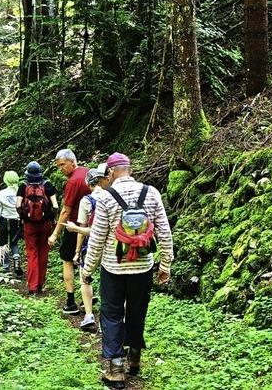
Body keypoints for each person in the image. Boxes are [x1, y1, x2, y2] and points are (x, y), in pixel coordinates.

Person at [82, 153, 173, 389]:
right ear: (129, 169)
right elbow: (164, 230)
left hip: (114, 268)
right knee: (137, 310)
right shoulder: (151, 193)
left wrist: (87, 270)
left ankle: (116, 369)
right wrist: (165, 264)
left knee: (112, 314)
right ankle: (134, 358)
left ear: (110, 173)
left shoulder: (106, 198)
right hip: (143, 267)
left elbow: (98, 239)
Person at [62, 163, 109, 332]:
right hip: (109, 245)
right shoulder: (111, 196)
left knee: (85, 277)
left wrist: (76, 251)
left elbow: (82, 230)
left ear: (89, 184)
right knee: (108, 279)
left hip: (90, 245)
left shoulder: (86, 200)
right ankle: (108, 316)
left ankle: (89, 315)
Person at [48, 149, 90, 314]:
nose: (60, 169)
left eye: (62, 165)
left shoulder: (73, 182)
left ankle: (70, 302)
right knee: (86, 259)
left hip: (74, 226)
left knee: (67, 260)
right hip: (90, 226)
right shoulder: (88, 173)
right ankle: (88, 293)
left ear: (73, 161)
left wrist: (55, 233)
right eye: (58, 166)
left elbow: (66, 210)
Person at [16, 161, 59, 294]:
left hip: (29, 225)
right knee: (43, 252)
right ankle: (40, 284)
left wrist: (23, 217)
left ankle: (32, 286)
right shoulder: (47, 185)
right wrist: (53, 219)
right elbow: (56, 206)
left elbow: (18, 205)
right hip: (46, 224)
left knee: (31, 253)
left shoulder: (23, 185)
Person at [0, 170, 23, 275]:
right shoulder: (20, 192)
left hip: (3, 221)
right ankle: (16, 259)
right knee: (14, 242)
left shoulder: (2, 193)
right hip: (16, 221)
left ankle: (5, 266)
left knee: (3, 243)